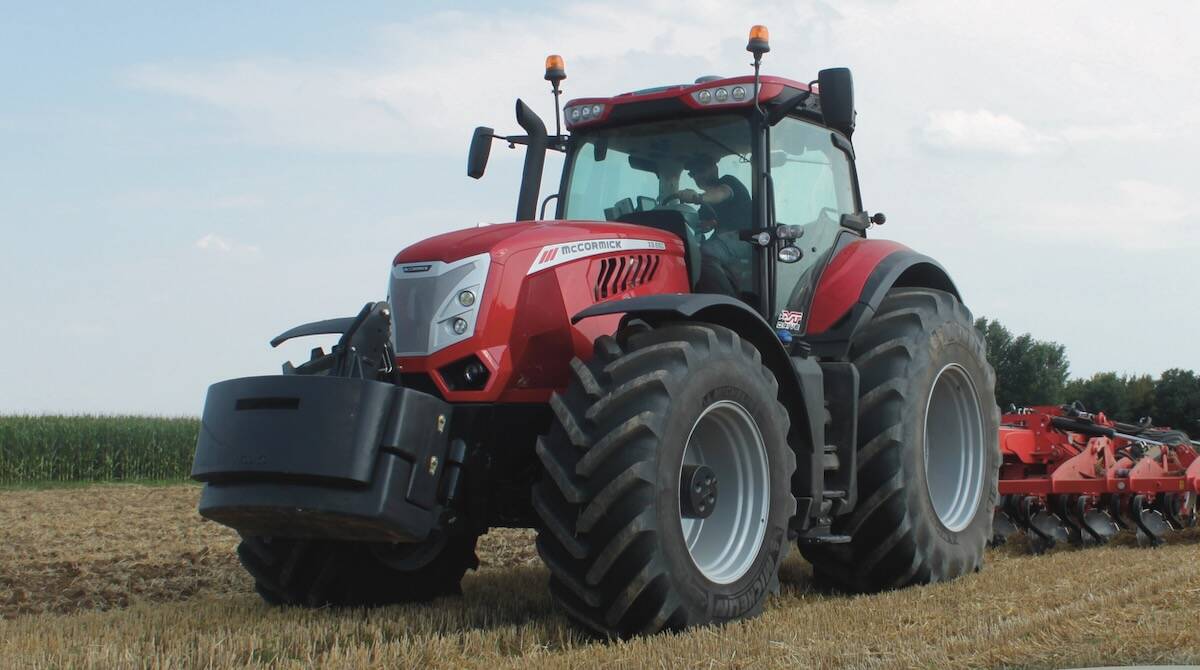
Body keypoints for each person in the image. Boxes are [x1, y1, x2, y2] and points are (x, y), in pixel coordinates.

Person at [671, 155, 752, 232]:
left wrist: (696, 197)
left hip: (743, 238)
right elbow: (700, 223)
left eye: (701, 170)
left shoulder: (729, 181)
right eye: (692, 174)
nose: (697, 176)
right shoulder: (706, 204)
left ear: (714, 169)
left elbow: (720, 194)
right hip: (722, 240)